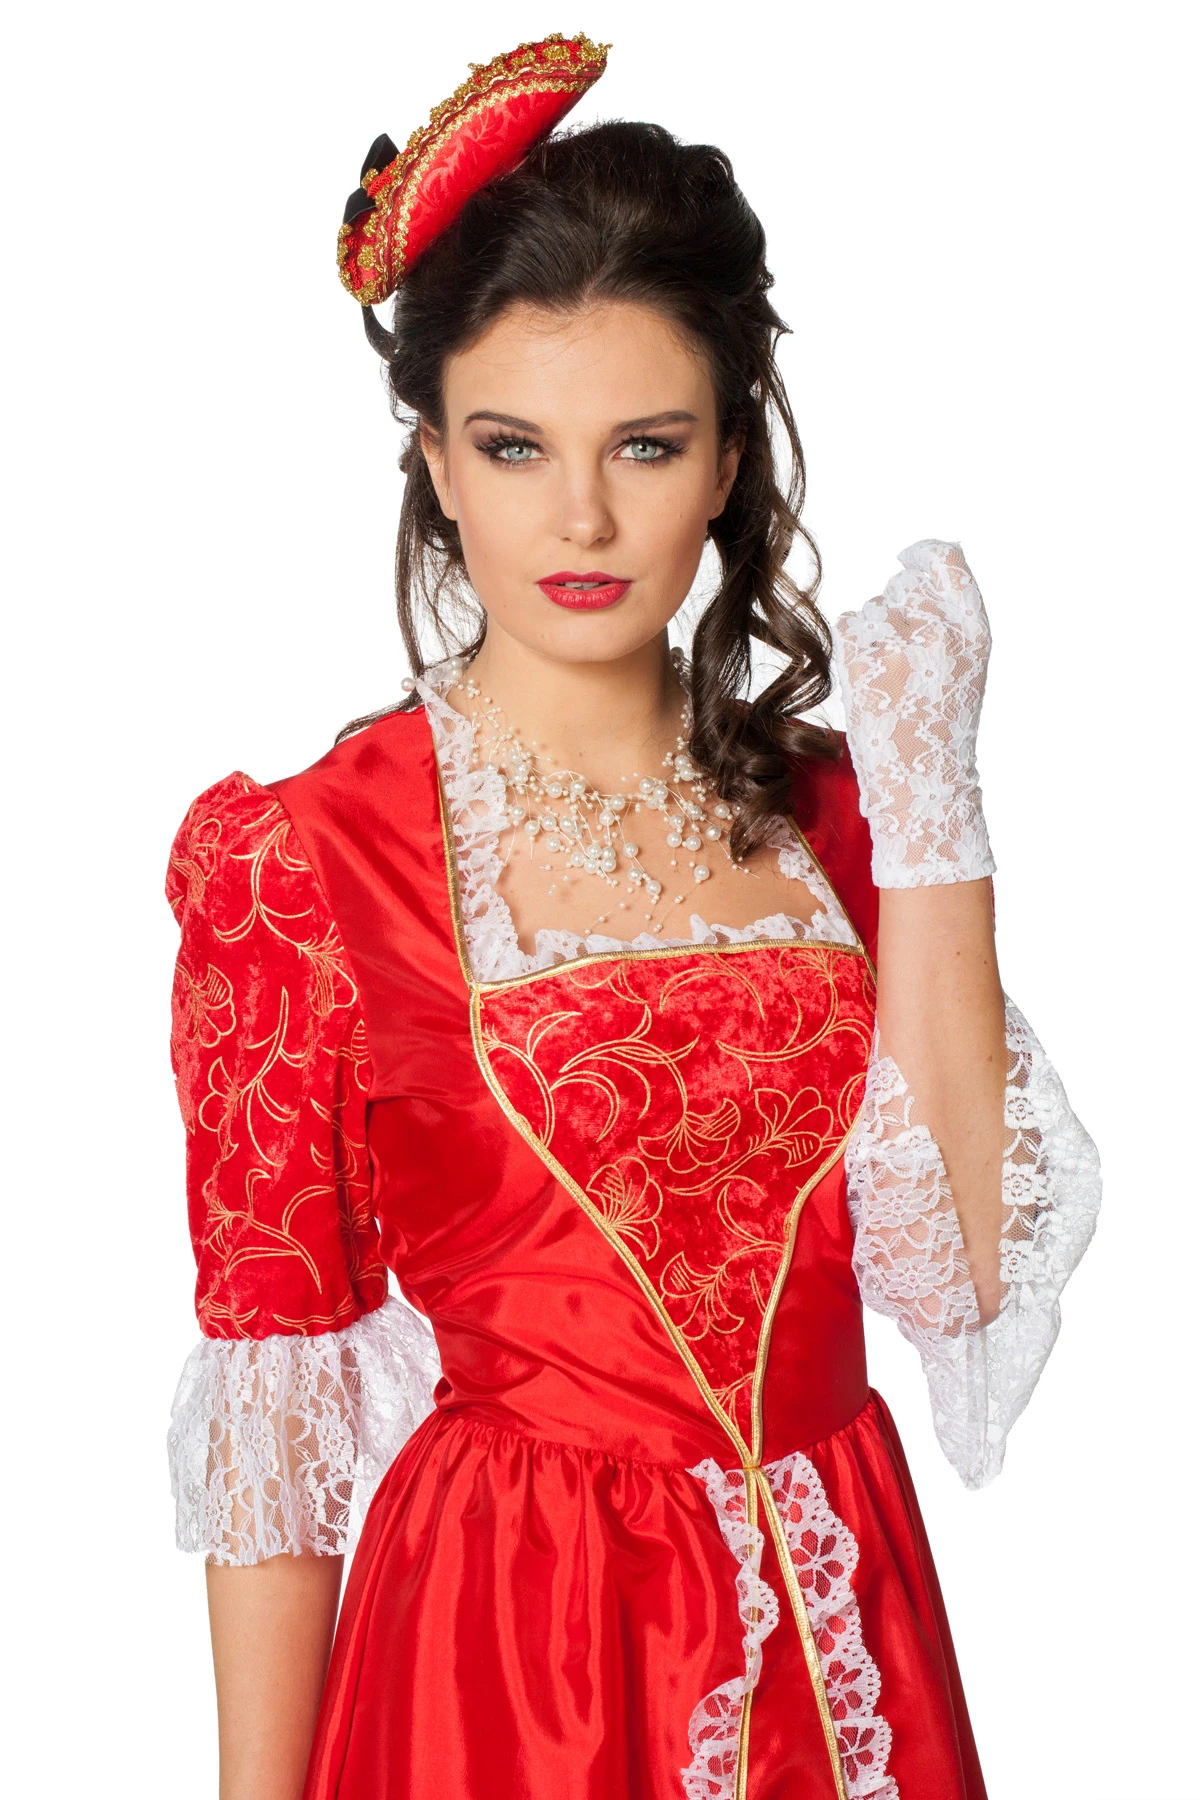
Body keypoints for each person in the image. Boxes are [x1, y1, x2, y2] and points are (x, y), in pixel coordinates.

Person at [165, 33, 1101, 1800]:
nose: (581, 517)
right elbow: (275, 1428)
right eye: (514, 447)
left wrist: (939, 812)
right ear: (437, 462)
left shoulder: (850, 815)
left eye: (646, 445)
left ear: (729, 458)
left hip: (839, 1636)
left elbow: (960, 1279)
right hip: (504, 1661)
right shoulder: (302, 863)